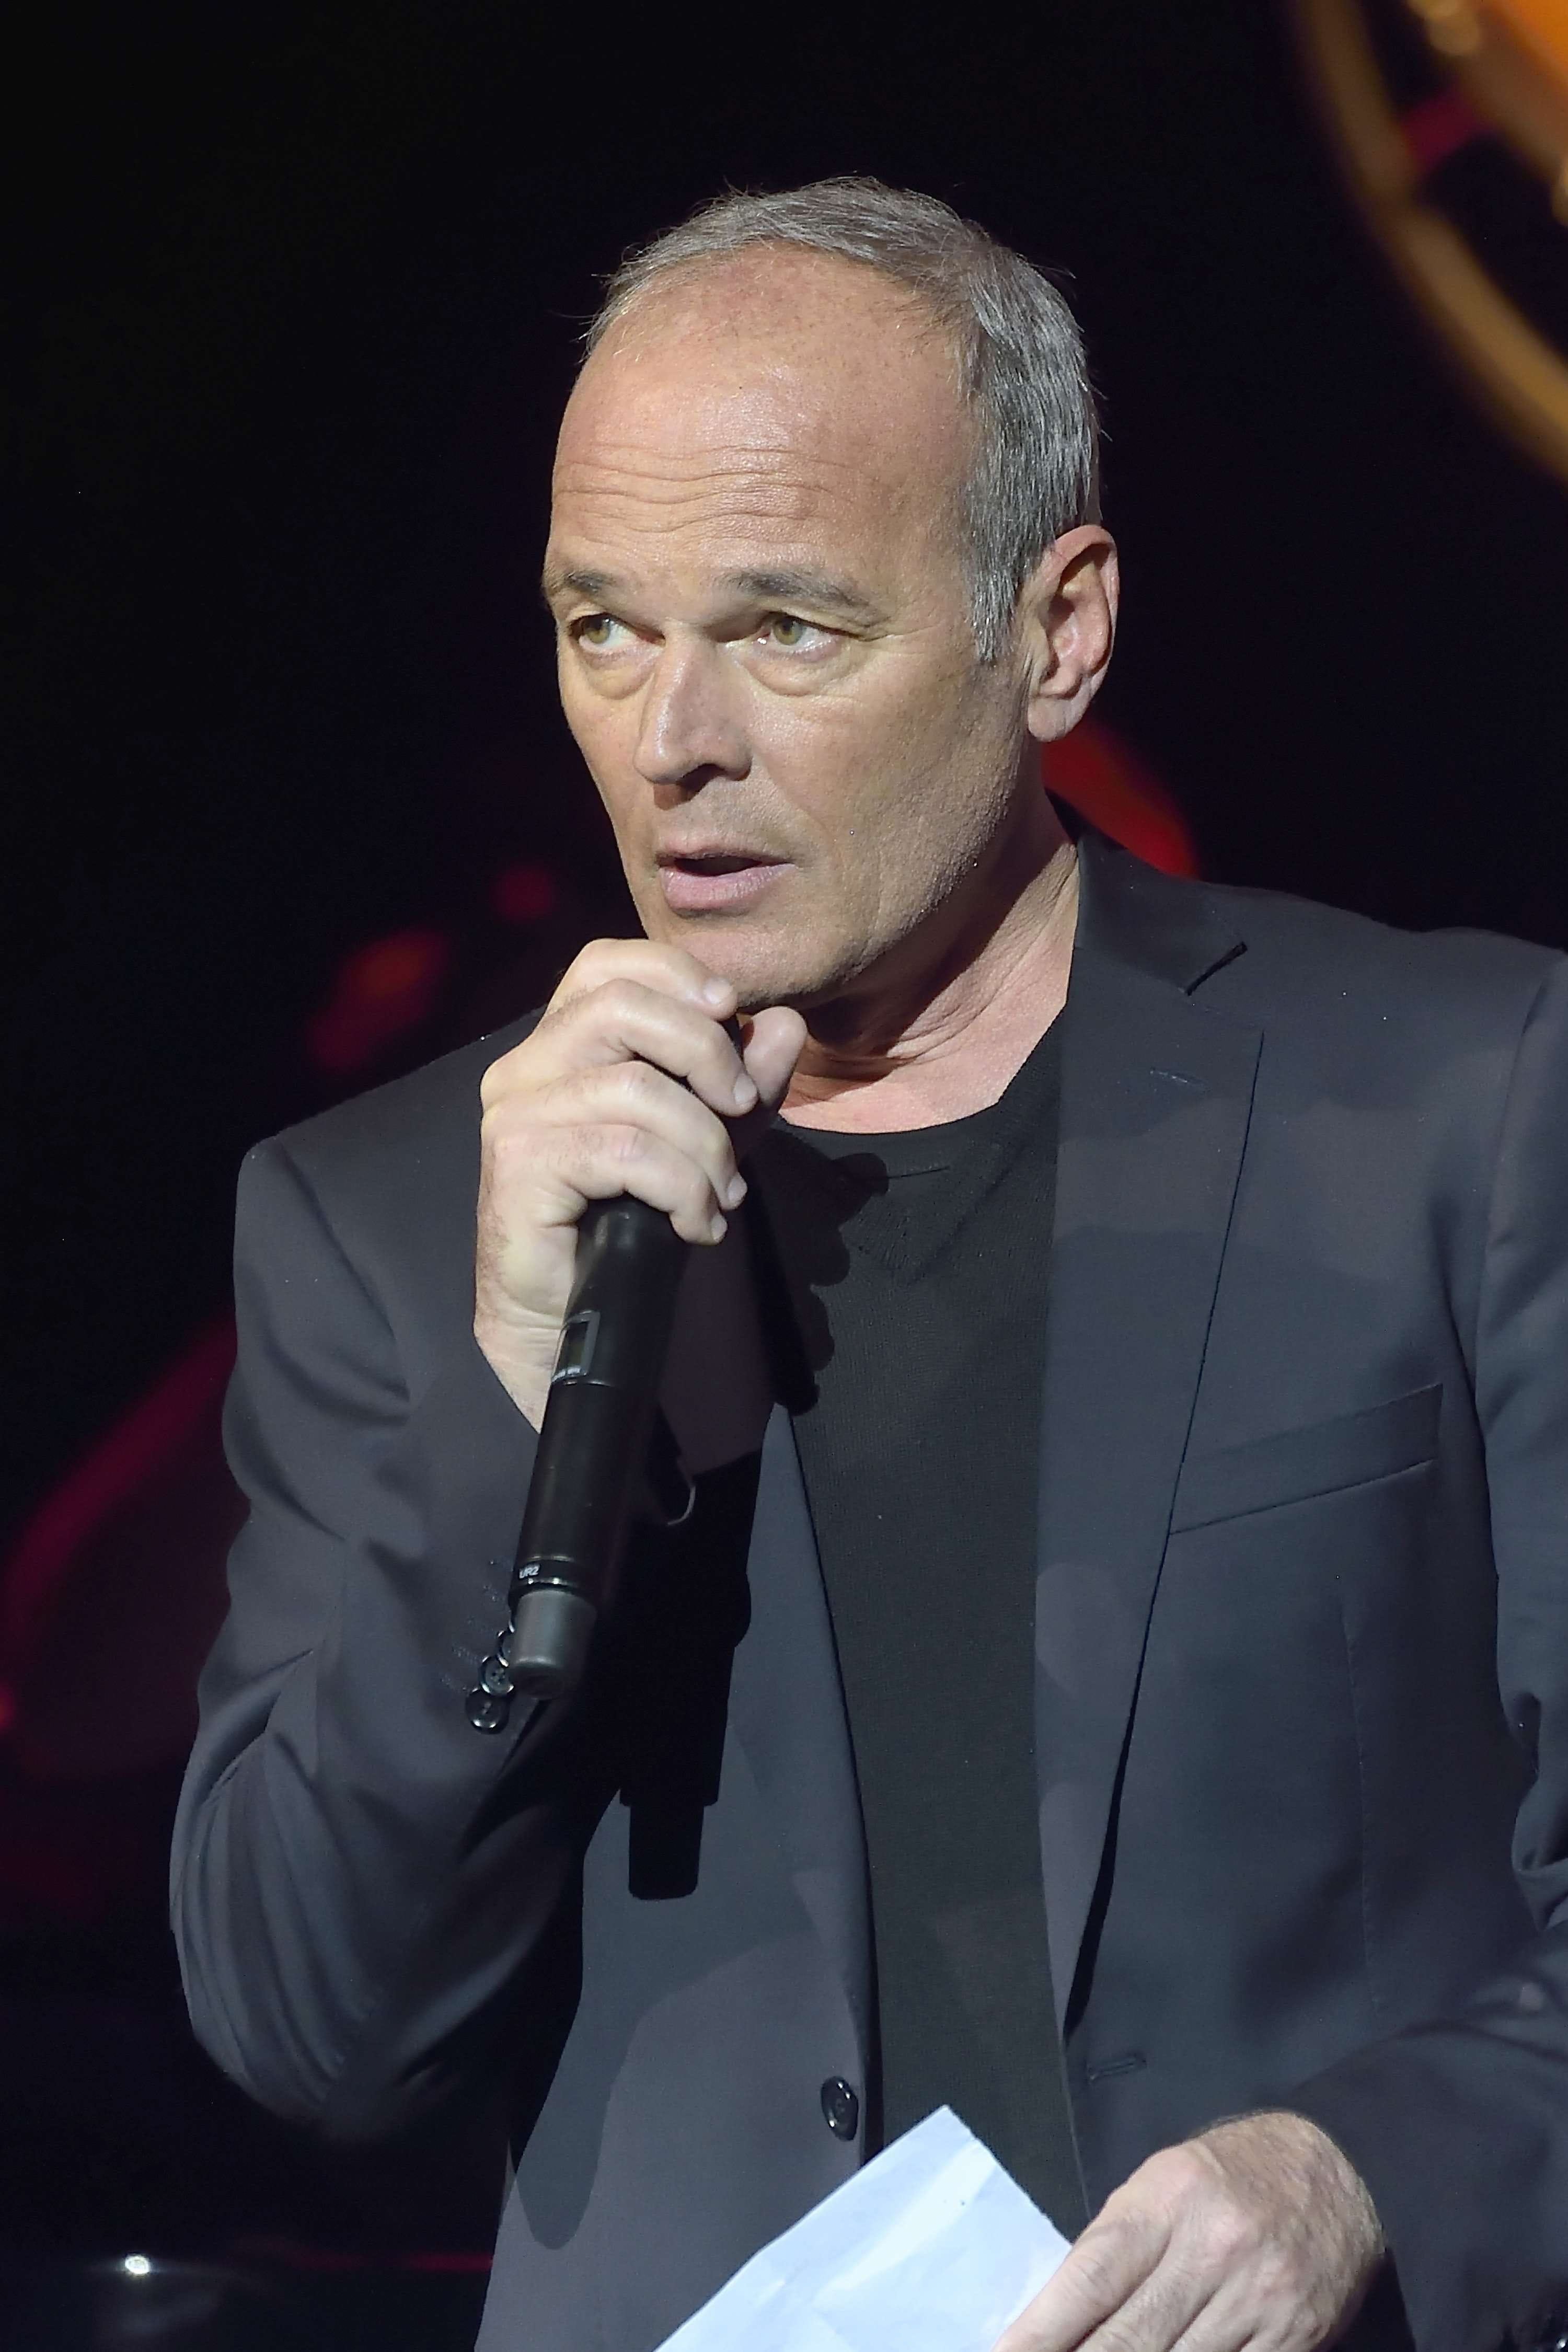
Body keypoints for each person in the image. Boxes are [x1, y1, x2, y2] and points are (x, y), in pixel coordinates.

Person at [171, 180, 1568, 2352]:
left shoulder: (1453, 1106)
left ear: (1058, 630)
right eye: (604, 627)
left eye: (789, 632)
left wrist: (1369, 2168)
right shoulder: (387, 1217)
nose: (673, 741)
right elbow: (315, 2029)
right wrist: (509, 1385)